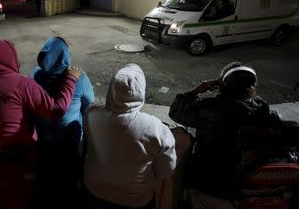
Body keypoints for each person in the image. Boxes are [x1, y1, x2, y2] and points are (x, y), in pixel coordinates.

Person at [0, 39, 82, 209]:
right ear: (7, 57)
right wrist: (71, 80)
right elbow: (56, 111)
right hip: (17, 158)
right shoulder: (21, 83)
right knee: (21, 200)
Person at [169, 62, 282, 209]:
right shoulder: (262, 109)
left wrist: (197, 90)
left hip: (205, 185)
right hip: (240, 188)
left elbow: (175, 112)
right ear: (252, 85)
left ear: (222, 83)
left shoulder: (208, 107)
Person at [83, 63, 177, 209]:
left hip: (93, 190)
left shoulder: (91, 113)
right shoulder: (155, 127)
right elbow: (167, 169)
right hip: (134, 199)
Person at [30, 37, 95, 209]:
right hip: (69, 142)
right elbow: (90, 106)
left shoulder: (35, 75)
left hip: (42, 142)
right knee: (68, 183)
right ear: (65, 55)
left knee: (46, 183)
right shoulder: (77, 78)